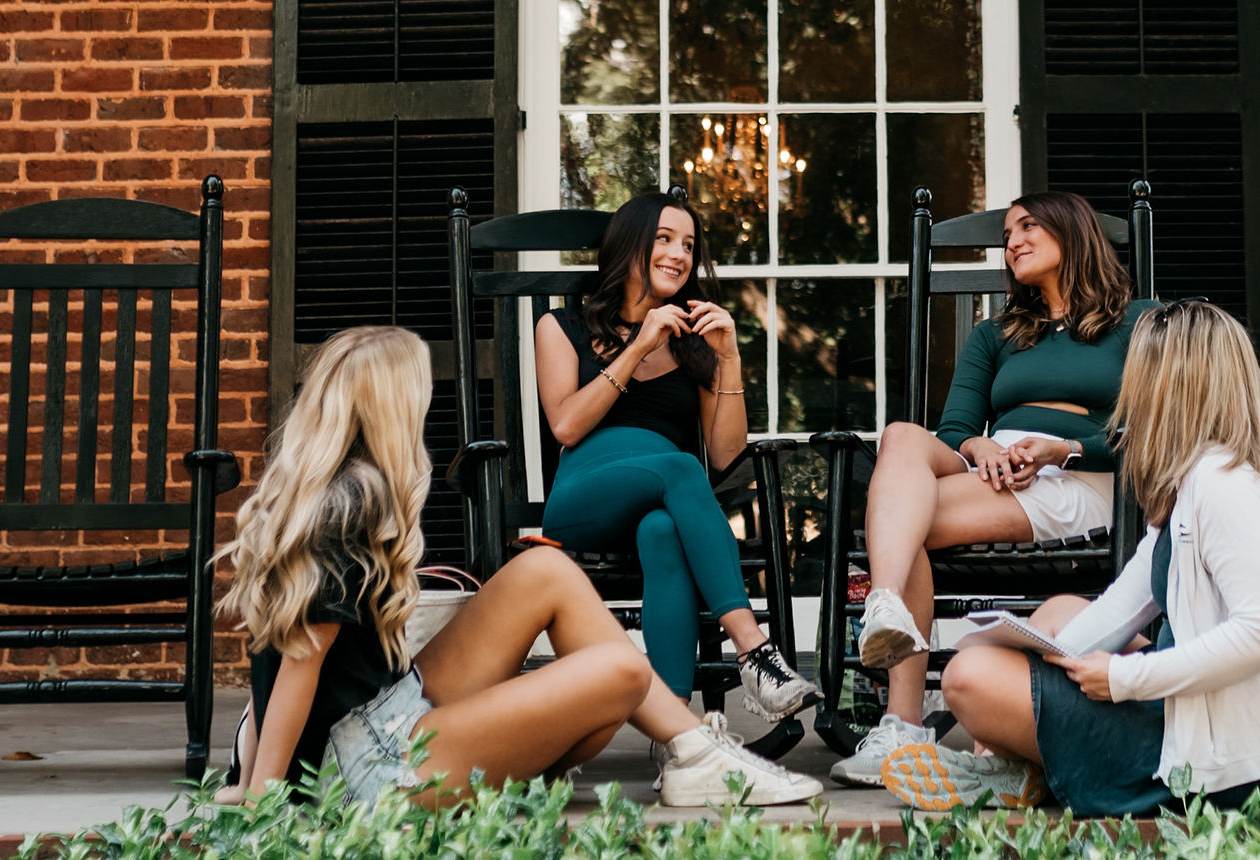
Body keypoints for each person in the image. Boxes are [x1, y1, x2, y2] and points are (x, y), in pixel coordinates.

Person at [223, 324, 819, 810]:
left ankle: (692, 754)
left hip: (392, 707)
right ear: (389, 408)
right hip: (370, 763)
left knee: (547, 572)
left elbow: (271, 671)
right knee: (619, 672)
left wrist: (246, 765)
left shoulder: (332, 489)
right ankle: (693, 755)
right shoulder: (351, 506)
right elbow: (296, 669)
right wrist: (260, 803)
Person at [892, 298, 1260, 817]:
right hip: (1193, 719)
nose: (1129, 397)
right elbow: (1118, 611)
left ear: (1175, 388)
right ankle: (1029, 763)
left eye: (1140, 377)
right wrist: (1030, 648)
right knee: (1056, 616)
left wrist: (1123, 680)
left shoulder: (1225, 486)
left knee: (968, 677)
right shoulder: (1192, 482)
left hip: (1233, 765)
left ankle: (1029, 765)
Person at [832, 189, 1151, 786]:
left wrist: (1067, 447)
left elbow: (1160, 433)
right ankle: (887, 608)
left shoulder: (1139, 324)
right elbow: (954, 430)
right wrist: (981, 447)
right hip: (994, 471)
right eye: (1007, 235)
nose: (1012, 243)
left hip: (1078, 474)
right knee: (902, 436)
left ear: (1073, 232)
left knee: (905, 525)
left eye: (1027, 228)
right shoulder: (997, 333)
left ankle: (901, 721)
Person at [533, 190, 818, 725]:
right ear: (629, 245)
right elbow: (566, 424)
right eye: (664, 239)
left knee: (664, 531)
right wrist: (638, 345)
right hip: (582, 502)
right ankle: (755, 652)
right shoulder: (561, 327)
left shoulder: (694, 343)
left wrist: (728, 359)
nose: (679, 254)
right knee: (681, 466)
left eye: (688, 244)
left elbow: (727, 453)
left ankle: (675, 733)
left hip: (663, 503)